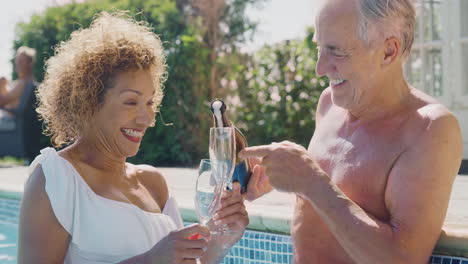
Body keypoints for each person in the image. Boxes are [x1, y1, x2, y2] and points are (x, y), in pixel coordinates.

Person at [240, 0, 463, 263]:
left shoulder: (430, 129)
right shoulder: (328, 104)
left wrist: (311, 182)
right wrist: (282, 174)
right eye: (319, 48)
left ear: (388, 52)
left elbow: (403, 259)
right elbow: (328, 203)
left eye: (336, 51)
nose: (319, 69)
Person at [18, 12, 248, 264]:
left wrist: (219, 240)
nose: (146, 118)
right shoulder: (55, 178)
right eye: (130, 101)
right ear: (88, 101)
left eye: (150, 102)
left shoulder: (154, 183)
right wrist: (150, 260)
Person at [0, 46, 36, 111]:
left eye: (21, 61)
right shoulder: (28, 82)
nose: (17, 63)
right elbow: (10, 101)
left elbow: (2, 102)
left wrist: (1, 85)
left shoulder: (23, 83)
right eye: (17, 60)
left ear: (29, 63)